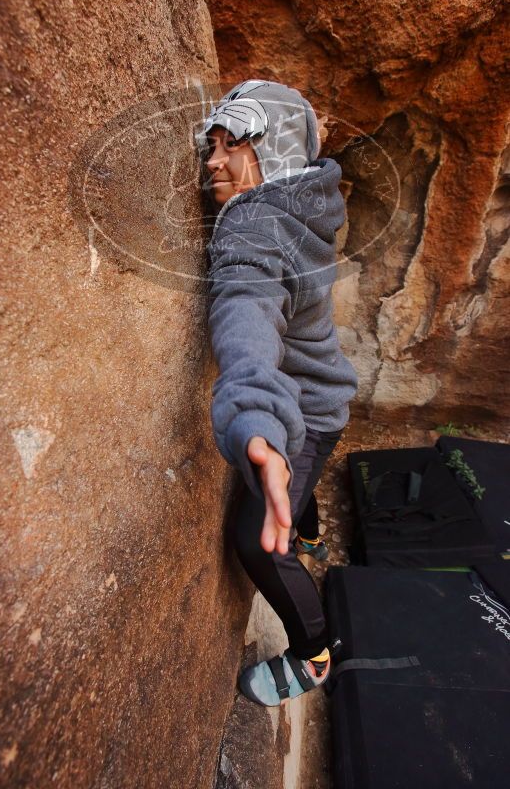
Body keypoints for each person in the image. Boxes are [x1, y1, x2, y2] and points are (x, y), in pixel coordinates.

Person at [196, 79, 358, 707]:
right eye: (210, 144)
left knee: (255, 538)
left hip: (304, 416)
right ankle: (311, 533)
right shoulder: (308, 203)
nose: (212, 160)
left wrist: (255, 418)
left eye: (231, 142)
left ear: (277, 151)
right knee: (294, 490)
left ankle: (315, 653)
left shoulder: (252, 226)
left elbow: (247, 309)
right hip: (325, 395)